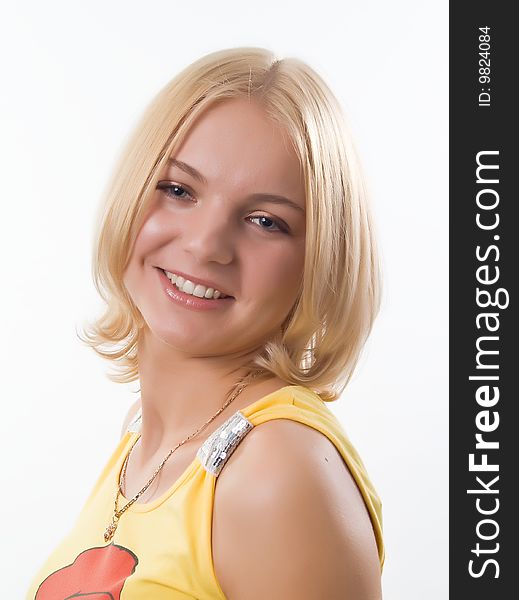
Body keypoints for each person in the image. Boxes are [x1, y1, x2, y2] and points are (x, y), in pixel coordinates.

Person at [26, 47, 385, 599]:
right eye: (178, 190)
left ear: (320, 259)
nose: (206, 244)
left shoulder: (276, 473)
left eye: (266, 221)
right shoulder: (142, 443)